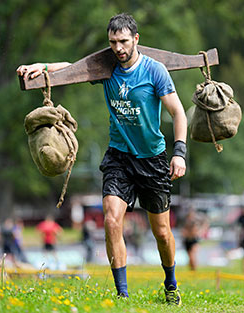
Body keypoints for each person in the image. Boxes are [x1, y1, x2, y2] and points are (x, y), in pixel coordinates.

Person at [17, 13, 187, 305]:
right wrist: (41, 67)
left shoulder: (154, 71)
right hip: (119, 157)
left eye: (123, 41)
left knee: (161, 231)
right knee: (111, 219)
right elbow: (72, 69)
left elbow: (178, 113)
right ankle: (122, 294)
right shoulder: (105, 66)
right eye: (112, 42)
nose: (118, 48)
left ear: (136, 39)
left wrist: (180, 153)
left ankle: (170, 282)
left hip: (152, 160)